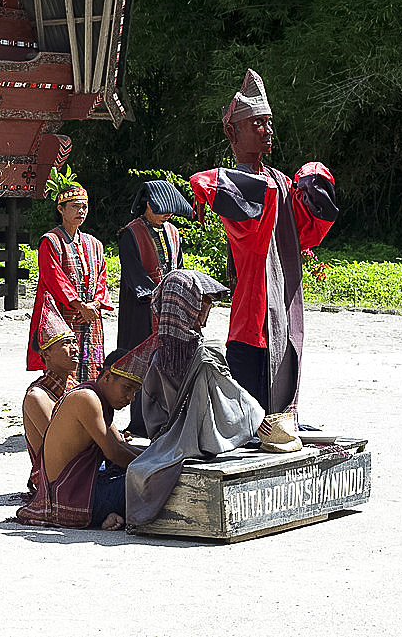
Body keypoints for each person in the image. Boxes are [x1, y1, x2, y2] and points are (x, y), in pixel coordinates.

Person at [189, 69, 338, 417]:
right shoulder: (253, 186)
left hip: (280, 308)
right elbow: (209, 183)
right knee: (249, 419)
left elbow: (306, 232)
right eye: (257, 122)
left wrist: (315, 185)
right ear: (232, 131)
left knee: (275, 412)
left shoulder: (279, 183)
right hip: (250, 318)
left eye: (268, 122)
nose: (267, 130)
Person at [125, 269, 266, 527]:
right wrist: (258, 418)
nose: (205, 314)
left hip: (163, 439)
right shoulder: (206, 354)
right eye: (202, 305)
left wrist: (166, 436)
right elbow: (233, 406)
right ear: (188, 308)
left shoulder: (157, 355)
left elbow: (151, 412)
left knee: (138, 470)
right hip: (204, 443)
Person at [16, 342, 155, 530]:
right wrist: (160, 466)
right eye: (127, 388)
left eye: (135, 392)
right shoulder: (87, 398)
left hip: (82, 488)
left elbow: (121, 446)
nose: (131, 398)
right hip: (70, 498)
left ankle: (108, 515)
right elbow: (114, 453)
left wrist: (157, 455)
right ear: (107, 377)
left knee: (143, 473)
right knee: (160, 483)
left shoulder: (97, 397)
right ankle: (102, 515)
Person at [117, 179, 191, 437]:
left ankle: (167, 418)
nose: (166, 215)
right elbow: (134, 274)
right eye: (161, 209)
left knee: (169, 362)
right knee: (142, 363)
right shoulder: (130, 233)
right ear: (147, 205)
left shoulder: (173, 232)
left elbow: (178, 268)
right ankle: (139, 422)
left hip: (169, 309)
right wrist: (153, 294)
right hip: (141, 310)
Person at [28, 166, 112, 382]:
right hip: (63, 315)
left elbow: (101, 277)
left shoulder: (95, 244)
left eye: (84, 207)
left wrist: (95, 304)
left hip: (91, 315)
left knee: (91, 369)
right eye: (75, 206)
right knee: (63, 367)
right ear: (61, 209)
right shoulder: (50, 241)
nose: (81, 211)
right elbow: (54, 278)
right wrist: (78, 304)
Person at [22, 295, 78, 494]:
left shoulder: (75, 385)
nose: (75, 349)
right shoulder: (37, 396)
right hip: (60, 479)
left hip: (81, 467)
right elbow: (62, 447)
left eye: (74, 342)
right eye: (66, 344)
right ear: (45, 354)